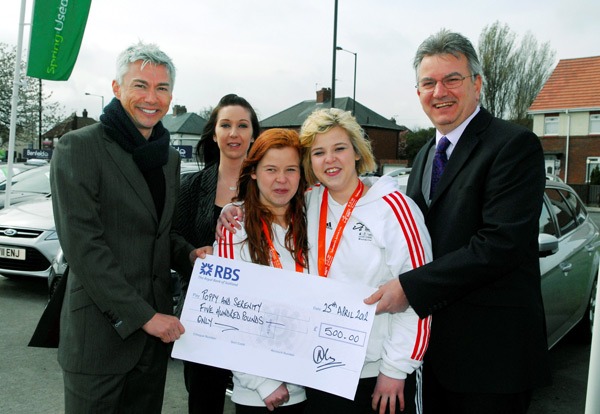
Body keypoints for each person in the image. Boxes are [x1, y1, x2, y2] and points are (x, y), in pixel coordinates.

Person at [365, 29, 551, 413]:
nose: (440, 92)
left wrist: (411, 287)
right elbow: (404, 235)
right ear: (418, 93)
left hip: (491, 362)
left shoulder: (513, 146)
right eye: (428, 83)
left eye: (452, 79)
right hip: (429, 358)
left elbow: (500, 244)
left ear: (477, 84)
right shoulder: (423, 157)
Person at [218, 109, 432, 413]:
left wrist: (395, 369)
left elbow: (420, 293)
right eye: (318, 152)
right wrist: (232, 209)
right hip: (320, 374)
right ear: (310, 161)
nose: (329, 159)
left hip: (377, 376)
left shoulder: (394, 209)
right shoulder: (307, 202)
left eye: (339, 148)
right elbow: (265, 201)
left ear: (357, 152)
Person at [50, 42, 200, 413]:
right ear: (117, 89)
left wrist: (191, 255)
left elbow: (155, 235)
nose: (152, 98)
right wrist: (144, 317)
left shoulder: (167, 157)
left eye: (162, 88)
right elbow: (84, 247)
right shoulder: (78, 147)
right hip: (101, 339)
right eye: (140, 85)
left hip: (152, 344)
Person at [172, 93, 260, 413]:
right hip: (204, 314)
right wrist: (192, 254)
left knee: (256, 400)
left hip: (255, 315)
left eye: (242, 125)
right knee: (204, 400)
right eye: (226, 125)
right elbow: (171, 237)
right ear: (214, 134)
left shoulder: (269, 186)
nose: (234, 133)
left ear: (253, 133)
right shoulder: (191, 185)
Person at [216, 128, 309, 413]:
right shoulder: (235, 228)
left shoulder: (313, 218)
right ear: (253, 171)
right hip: (259, 394)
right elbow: (224, 313)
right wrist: (262, 382)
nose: (281, 179)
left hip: (311, 385)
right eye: (271, 169)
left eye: (291, 169)